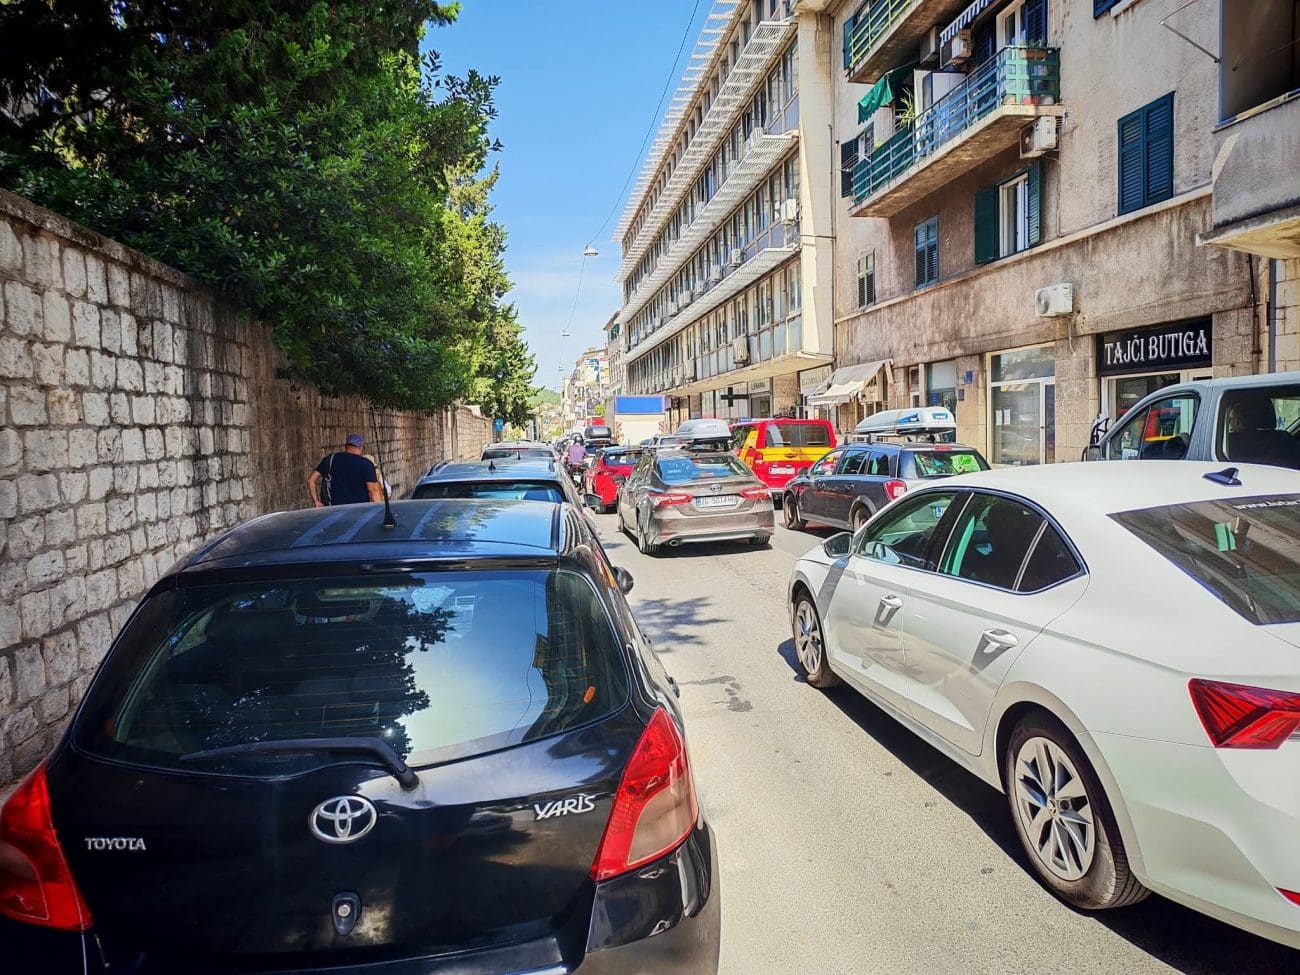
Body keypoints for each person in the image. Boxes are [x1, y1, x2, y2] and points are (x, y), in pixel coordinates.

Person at [307, 434, 383, 507]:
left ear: (345, 446)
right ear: (360, 447)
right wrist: (380, 510)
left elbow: (310, 480)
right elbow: (373, 490)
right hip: (359, 510)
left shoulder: (330, 459)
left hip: (333, 509)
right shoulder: (366, 464)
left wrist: (316, 501)